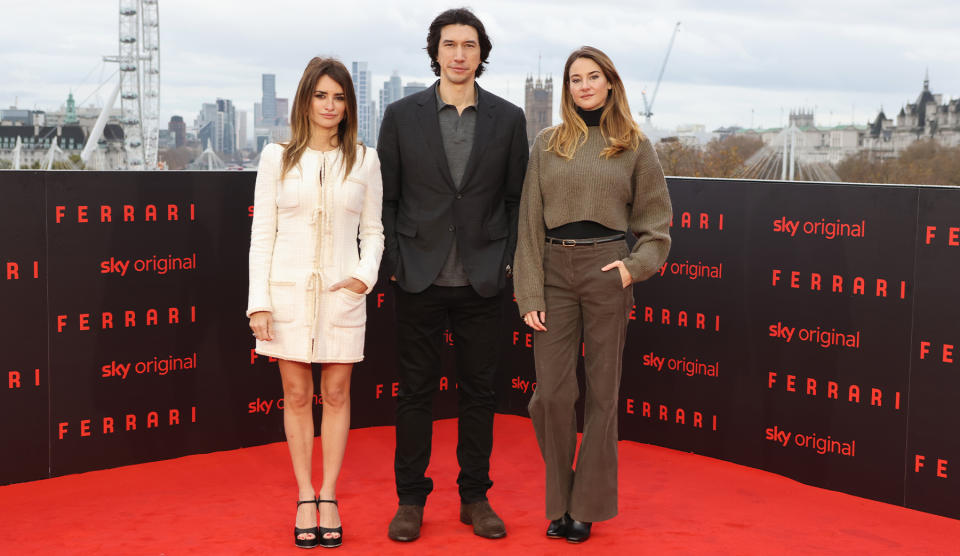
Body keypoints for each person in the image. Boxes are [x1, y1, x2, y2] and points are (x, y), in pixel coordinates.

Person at [377, 7, 528, 543]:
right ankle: (411, 499)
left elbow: (515, 201)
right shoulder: (400, 115)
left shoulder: (509, 119)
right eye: (450, 44)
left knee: (479, 393)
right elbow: (387, 200)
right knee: (415, 393)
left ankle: (474, 497)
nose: (459, 53)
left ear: (481, 53)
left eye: (469, 44)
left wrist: (506, 261)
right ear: (435, 52)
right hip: (418, 276)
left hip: (482, 279)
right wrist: (395, 261)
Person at [513, 46, 672, 544]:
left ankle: (585, 507)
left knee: (603, 395)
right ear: (566, 89)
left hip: (607, 269)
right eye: (575, 79)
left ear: (609, 83)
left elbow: (655, 225)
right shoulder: (546, 143)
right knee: (552, 397)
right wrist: (529, 292)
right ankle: (560, 499)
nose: (583, 86)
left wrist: (630, 271)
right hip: (553, 271)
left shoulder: (634, 145)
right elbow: (528, 223)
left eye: (592, 77)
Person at [247, 57, 384, 549]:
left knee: (340, 391)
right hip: (285, 295)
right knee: (297, 394)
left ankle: (330, 494)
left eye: (339, 97)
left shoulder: (364, 159)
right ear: (305, 100)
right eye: (321, 95)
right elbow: (262, 236)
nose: (329, 105)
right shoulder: (275, 157)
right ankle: (305, 493)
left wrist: (363, 278)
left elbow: (373, 231)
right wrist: (258, 302)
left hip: (342, 295)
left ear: (349, 106)